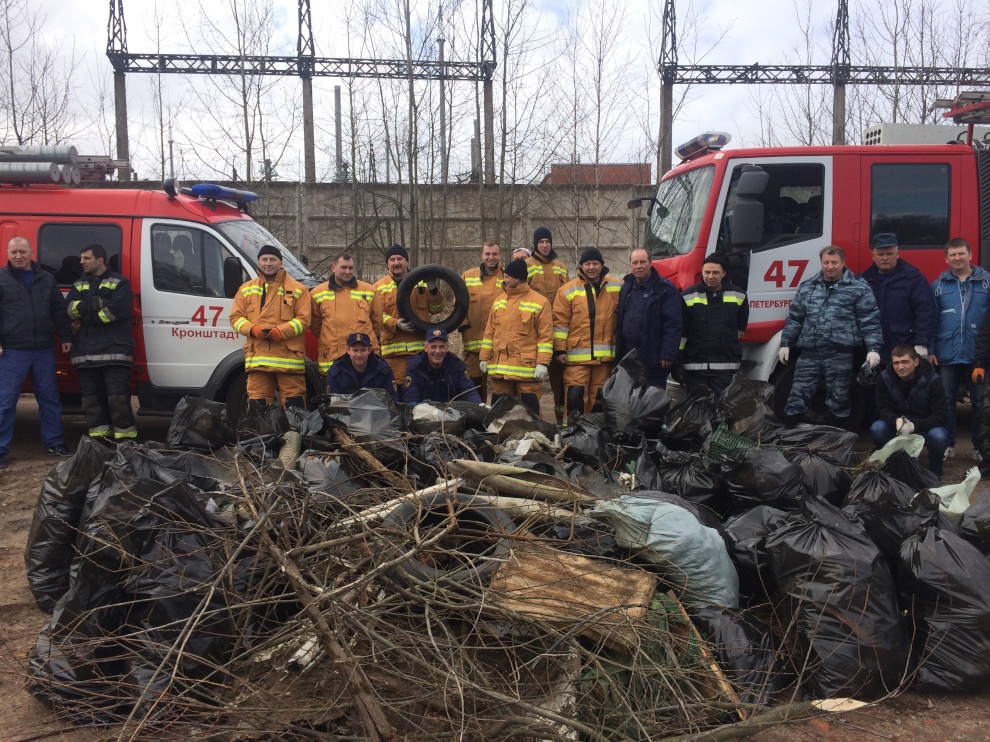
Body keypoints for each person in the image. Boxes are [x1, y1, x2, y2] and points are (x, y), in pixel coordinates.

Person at [778, 246, 883, 422]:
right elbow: (795, 318)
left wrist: (873, 348)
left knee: (839, 399)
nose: (830, 266)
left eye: (834, 262)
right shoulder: (808, 287)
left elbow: (869, 320)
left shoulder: (858, 288)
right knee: (797, 396)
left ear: (843, 263)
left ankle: (839, 435)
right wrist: (785, 343)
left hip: (839, 354)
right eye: (826, 262)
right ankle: (792, 433)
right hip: (810, 353)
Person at [0, 237, 74, 467]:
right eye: (14, 252)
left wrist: (66, 336)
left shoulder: (47, 279)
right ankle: (0, 449)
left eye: (22, 251)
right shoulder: (1, 278)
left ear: (32, 252)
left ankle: (55, 443)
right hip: (12, 350)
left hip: (43, 349)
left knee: (49, 399)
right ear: (8, 253)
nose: (18, 256)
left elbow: (59, 311)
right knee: (5, 401)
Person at [66, 243, 137, 442]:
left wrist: (87, 316)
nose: (81, 262)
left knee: (118, 400)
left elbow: (116, 311)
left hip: (114, 352)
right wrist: (93, 305)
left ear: (100, 260)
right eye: (81, 258)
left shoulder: (120, 282)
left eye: (86, 258)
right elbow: (70, 310)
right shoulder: (79, 284)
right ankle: (100, 442)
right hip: (85, 353)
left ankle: (126, 443)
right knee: (91, 402)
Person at [229, 245, 311, 409]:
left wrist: (280, 332)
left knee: (294, 406)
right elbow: (235, 318)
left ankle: (291, 429)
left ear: (281, 262)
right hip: (258, 359)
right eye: (264, 259)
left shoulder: (298, 290)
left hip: (289, 360)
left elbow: (304, 320)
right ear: (258, 262)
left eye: (273, 259)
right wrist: (253, 330)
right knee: (258, 405)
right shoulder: (246, 289)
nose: (268, 263)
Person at [931, 237, 990, 460]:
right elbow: (932, 320)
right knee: (947, 401)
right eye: (953, 255)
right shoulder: (938, 286)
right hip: (948, 355)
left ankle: (979, 447)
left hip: (978, 356)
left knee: (979, 403)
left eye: (961, 253)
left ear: (970, 255)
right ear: (946, 259)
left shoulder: (987, 283)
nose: (957, 258)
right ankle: (948, 444)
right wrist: (930, 349)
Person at [553, 248, 621, 422]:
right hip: (576, 358)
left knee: (599, 399)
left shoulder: (617, 287)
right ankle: (572, 432)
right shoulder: (567, 290)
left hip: (605, 359)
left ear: (601, 265)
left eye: (595, 263)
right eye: (587, 264)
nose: (591, 267)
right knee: (574, 397)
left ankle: (595, 431)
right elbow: (560, 324)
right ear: (581, 266)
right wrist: (559, 350)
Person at [479, 258, 553, 416]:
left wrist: (542, 363)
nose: (504, 279)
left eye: (507, 277)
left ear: (518, 278)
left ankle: (531, 432)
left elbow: (545, 336)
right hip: (500, 369)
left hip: (526, 370)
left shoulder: (540, 302)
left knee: (530, 412)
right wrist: (484, 357)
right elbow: (490, 332)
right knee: (499, 412)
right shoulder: (499, 301)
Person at [374, 244, 444, 397]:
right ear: (387, 263)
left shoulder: (421, 283)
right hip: (394, 354)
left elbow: (437, 308)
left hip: (420, 352)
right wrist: (395, 324)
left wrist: (433, 288)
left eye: (400, 259)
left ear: (406, 261)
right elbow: (378, 315)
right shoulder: (379, 287)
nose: (396, 263)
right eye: (392, 259)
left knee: (421, 391)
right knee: (397, 394)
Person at [871, 345, 949, 480]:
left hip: (924, 426)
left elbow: (941, 415)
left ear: (916, 361)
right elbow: (882, 409)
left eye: (905, 362)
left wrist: (914, 426)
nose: (900, 367)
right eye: (896, 363)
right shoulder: (884, 378)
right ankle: (889, 466)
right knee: (877, 428)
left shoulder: (933, 380)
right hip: (897, 425)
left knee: (939, 436)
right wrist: (896, 420)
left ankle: (935, 471)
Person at [679, 252, 749, 397]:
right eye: (707, 272)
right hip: (695, 368)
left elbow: (740, 327)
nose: (711, 276)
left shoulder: (740, 295)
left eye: (715, 272)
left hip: (725, 368)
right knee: (696, 408)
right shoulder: (687, 296)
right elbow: (681, 332)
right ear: (702, 272)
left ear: (724, 273)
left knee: (722, 408)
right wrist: (677, 362)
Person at [859, 233, 936, 363]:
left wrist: (922, 342)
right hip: (873, 350)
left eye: (889, 253)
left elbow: (925, 312)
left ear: (897, 254)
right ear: (873, 256)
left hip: (904, 349)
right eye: (880, 254)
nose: (885, 258)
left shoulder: (914, 279)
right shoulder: (863, 281)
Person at [616, 247, 682, 388]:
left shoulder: (665, 289)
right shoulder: (626, 288)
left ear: (651, 263)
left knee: (652, 398)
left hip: (653, 356)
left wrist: (668, 354)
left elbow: (673, 324)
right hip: (628, 355)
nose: (638, 266)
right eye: (635, 263)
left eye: (643, 262)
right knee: (629, 397)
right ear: (630, 265)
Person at [311, 251, 382, 373]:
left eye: (350, 268)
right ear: (333, 268)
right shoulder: (317, 293)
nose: (348, 271)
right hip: (333, 357)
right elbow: (315, 325)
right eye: (344, 267)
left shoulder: (369, 291)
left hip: (364, 360)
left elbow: (377, 323)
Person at [526, 227, 569, 422]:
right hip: (532, 333)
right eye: (541, 242)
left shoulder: (561, 268)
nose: (545, 245)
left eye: (547, 241)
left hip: (557, 332)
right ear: (535, 244)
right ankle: (535, 422)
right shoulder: (525, 266)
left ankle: (561, 421)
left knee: (560, 381)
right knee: (531, 382)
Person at [460, 240, 503, 401]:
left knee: (501, 388)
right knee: (475, 388)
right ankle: (479, 416)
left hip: (499, 347)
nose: (491, 257)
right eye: (487, 254)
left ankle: (498, 416)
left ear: (500, 255)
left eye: (494, 254)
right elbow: (458, 306)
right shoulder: (467, 276)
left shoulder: (507, 278)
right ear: (482, 255)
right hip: (473, 348)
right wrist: (464, 327)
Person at [403, 327, 483, 406]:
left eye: (441, 347)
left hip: (451, 411)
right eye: (433, 347)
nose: (437, 351)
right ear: (426, 348)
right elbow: (411, 397)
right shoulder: (415, 367)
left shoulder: (457, 365)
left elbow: (468, 390)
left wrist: (479, 404)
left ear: (447, 348)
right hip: (423, 411)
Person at [326, 332, 397, 400]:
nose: (359, 355)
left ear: (369, 350)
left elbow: (393, 399)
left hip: (375, 408)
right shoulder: (336, 372)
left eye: (363, 350)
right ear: (348, 350)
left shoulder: (383, 370)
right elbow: (332, 402)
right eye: (355, 350)